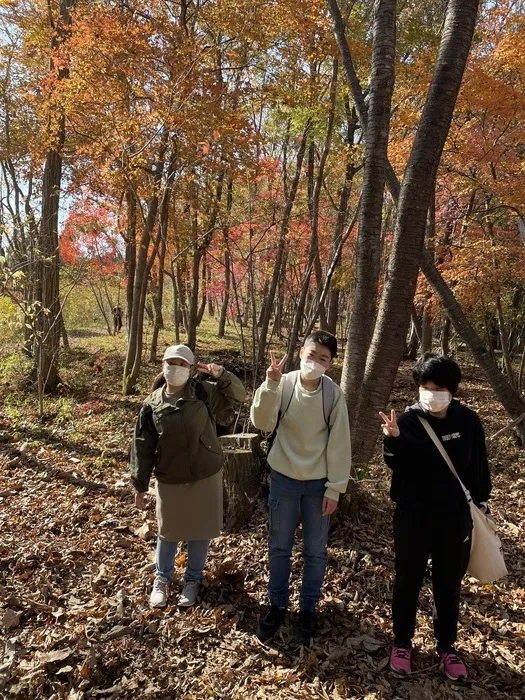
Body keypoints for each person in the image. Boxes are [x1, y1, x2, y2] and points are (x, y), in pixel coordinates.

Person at [379, 353, 492, 681]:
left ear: (452, 390)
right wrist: (393, 440)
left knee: (448, 584)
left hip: (454, 517)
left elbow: (478, 467)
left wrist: (482, 501)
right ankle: (402, 643)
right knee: (407, 579)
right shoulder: (409, 421)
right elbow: (395, 464)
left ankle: (447, 646)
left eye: (439, 388)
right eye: (424, 387)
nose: (431, 393)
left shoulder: (468, 422)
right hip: (413, 515)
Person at [250, 330, 352, 645]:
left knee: (315, 550)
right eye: (312, 355)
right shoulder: (284, 383)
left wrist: (335, 488)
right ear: (301, 352)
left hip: (319, 485)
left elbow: (339, 443)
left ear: (331, 364)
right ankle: (277, 604)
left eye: (323, 358)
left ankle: (308, 607)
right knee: (279, 545)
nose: (315, 362)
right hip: (283, 479)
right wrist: (270, 384)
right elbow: (261, 422)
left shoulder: (333, 394)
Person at [130, 344, 245, 608]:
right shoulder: (152, 403)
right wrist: (140, 484)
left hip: (206, 473)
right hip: (169, 476)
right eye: (171, 362)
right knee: (168, 531)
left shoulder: (205, 393)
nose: (176, 368)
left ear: (192, 369)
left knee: (199, 531)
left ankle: (192, 580)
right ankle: (162, 579)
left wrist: (222, 374)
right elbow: (142, 445)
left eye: (182, 364)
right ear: (163, 365)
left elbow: (239, 396)